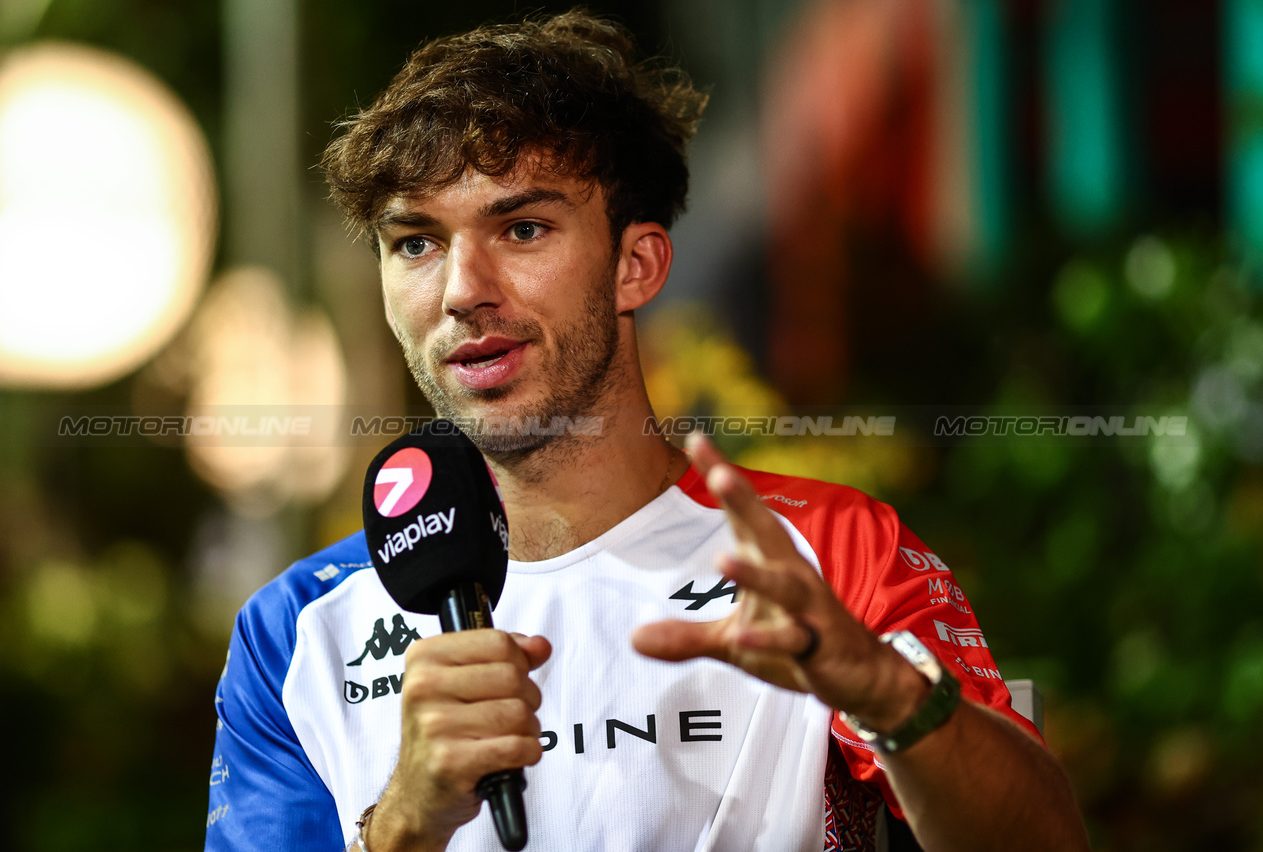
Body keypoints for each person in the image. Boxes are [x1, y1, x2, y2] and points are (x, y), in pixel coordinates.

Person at [205, 10, 1090, 852]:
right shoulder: (295, 631)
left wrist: (890, 697)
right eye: (416, 242)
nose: (462, 289)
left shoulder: (828, 554)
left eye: (521, 227)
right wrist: (402, 824)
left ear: (638, 264)